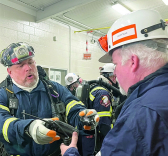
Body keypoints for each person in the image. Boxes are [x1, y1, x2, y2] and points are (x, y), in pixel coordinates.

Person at [60, 9, 168, 156]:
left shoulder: (141, 114)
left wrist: (70, 153)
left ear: (132, 61)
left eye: (115, 64)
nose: (115, 72)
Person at [0, 42, 99, 156]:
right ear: (9, 71)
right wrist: (28, 128)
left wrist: (84, 116)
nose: (28, 68)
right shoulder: (3, 94)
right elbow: (2, 122)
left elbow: (73, 107)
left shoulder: (55, 89)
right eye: (21, 65)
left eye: (30, 62)